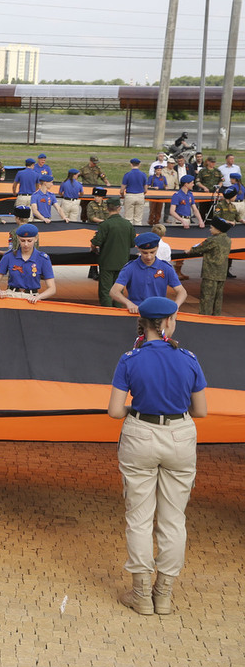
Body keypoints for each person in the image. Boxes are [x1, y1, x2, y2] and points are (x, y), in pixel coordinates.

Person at [107, 295, 206, 616]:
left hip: (140, 435)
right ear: (167, 323)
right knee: (174, 520)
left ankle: (140, 595)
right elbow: (201, 411)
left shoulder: (129, 359)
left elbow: (114, 411)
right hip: (179, 435)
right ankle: (163, 595)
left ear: (145, 324)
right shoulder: (189, 358)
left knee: (138, 518)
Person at [110, 232, 187, 314]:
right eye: (145, 253)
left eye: (152, 252)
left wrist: (175, 306)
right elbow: (114, 291)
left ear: (157, 248)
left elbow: (182, 292)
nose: (149, 257)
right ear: (139, 249)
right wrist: (129, 303)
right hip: (137, 311)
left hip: (159, 312)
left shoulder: (166, 268)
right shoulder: (130, 268)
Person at [179, 215, 233, 315]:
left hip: (210, 273)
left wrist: (190, 251)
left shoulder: (212, 240)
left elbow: (199, 249)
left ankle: (205, 316)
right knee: (218, 297)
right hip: (221, 273)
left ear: (218, 229)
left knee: (207, 297)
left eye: (212, 227)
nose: (210, 229)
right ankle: (217, 316)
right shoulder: (228, 240)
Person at [0, 224, 57, 303]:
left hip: (32, 298)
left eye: (29, 241)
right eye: (22, 240)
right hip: (11, 295)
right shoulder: (9, 256)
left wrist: (39, 297)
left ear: (36, 238)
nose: (26, 244)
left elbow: (52, 288)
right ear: (18, 238)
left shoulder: (43, 258)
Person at [91, 197, 134, 306]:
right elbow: (133, 243)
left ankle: (107, 312)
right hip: (122, 262)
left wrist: (94, 249)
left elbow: (96, 242)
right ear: (119, 208)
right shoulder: (128, 224)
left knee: (105, 290)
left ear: (106, 208)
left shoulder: (105, 225)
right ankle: (118, 311)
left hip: (107, 262)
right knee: (119, 289)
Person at [121, 158, 148, 226]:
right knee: (138, 219)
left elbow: (122, 189)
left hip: (130, 195)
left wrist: (122, 195)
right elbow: (146, 189)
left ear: (131, 164)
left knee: (128, 218)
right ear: (139, 165)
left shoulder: (127, 175)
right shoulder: (143, 174)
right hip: (140, 195)